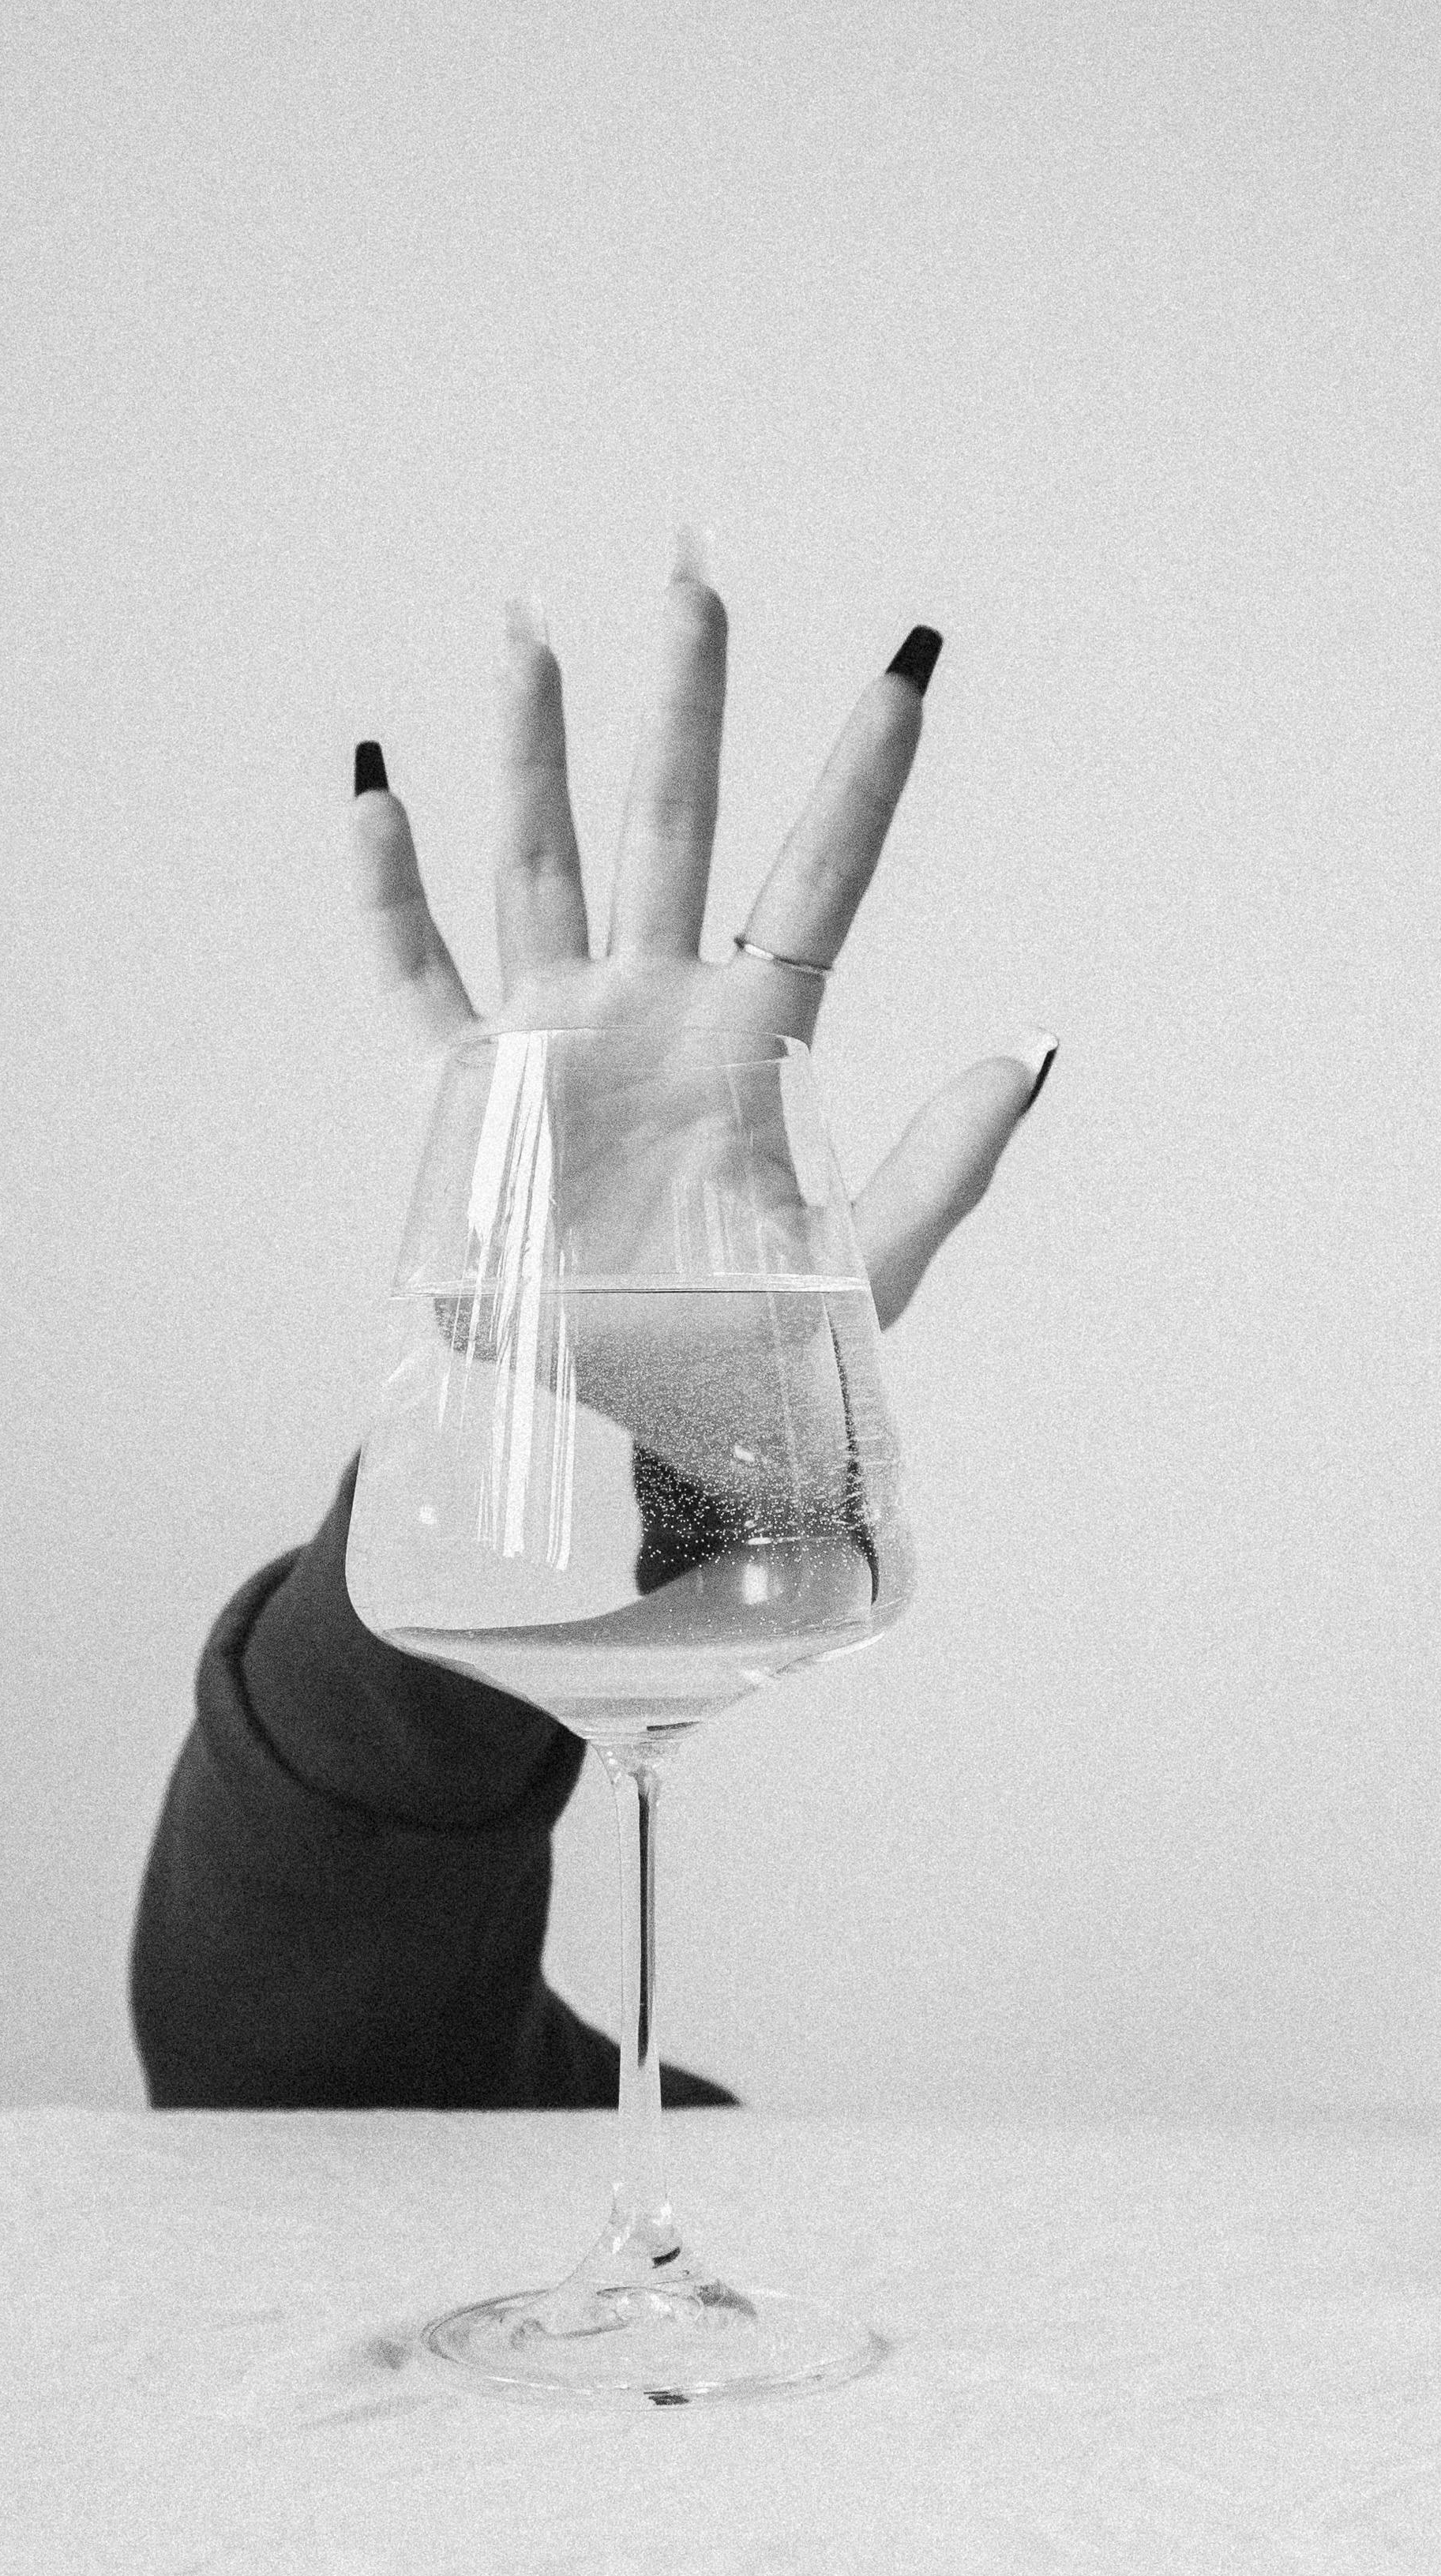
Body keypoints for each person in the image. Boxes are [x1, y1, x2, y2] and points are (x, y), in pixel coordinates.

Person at [129, 546, 1057, 2108]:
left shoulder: (781, 2227)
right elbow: (291, 2076)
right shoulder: (593, 2195)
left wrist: (706, 1411)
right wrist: (535, 1404)